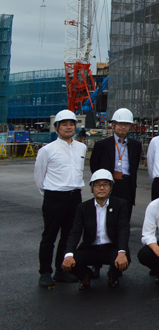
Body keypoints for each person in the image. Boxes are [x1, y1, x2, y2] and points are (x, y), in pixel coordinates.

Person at [34, 109, 85, 288]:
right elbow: (39, 178)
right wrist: (50, 194)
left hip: (74, 197)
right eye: (64, 124)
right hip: (54, 198)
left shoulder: (81, 147)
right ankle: (45, 272)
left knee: (68, 236)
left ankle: (61, 270)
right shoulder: (47, 150)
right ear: (57, 128)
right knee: (49, 236)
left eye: (72, 124)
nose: (69, 127)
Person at [61, 170, 130, 290]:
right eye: (97, 185)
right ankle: (85, 275)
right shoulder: (83, 207)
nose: (102, 188)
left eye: (106, 184)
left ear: (111, 187)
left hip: (111, 247)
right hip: (90, 248)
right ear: (91, 189)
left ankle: (113, 275)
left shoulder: (120, 204)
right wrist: (68, 254)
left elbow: (123, 228)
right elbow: (75, 231)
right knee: (70, 262)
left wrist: (122, 252)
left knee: (125, 257)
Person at [90, 108, 142, 219]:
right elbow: (94, 165)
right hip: (109, 184)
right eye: (120, 124)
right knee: (108, 217)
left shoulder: (135, 145)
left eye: (127, 124)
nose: (123, 127)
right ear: (113, 125)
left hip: (127, 184)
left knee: (125, 216)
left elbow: (135, 165)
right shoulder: (102, 145)